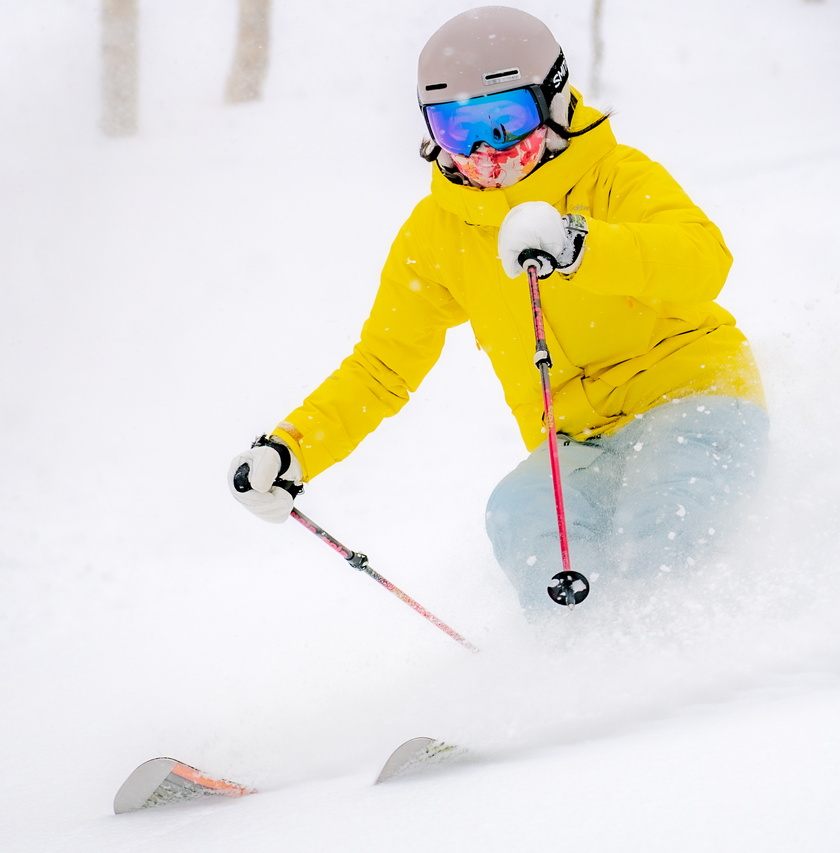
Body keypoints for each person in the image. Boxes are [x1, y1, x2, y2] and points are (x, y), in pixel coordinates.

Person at [228, 6, 768, 615]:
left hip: (694, 398)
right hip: (577, 442)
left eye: (505, 123)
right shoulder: (439, 234)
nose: (485, 152)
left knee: (663, 527)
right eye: (459, 131)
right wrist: (294, 448)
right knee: (520, 515)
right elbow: (383, 365)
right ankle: (581, 667)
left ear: (554, 104)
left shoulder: (615, 179)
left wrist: (581, 244)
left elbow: (702, 262)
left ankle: (696, 655)